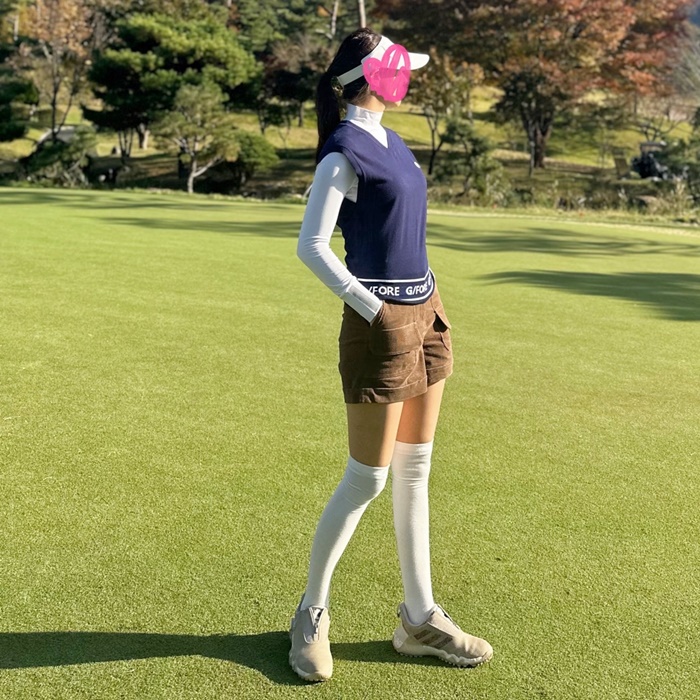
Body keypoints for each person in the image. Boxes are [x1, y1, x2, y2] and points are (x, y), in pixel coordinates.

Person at [291, 27, 493, 682]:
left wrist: (424, 304)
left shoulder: (394, 142)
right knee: (368, 478)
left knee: (415, 471)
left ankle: (419, 619)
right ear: (373, 79)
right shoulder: (341, 154)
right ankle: (311, 614)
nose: (407, 78)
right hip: (378, 323)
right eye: (399, 70)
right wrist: (372, 307)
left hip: (428, 314)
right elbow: (311, 246)